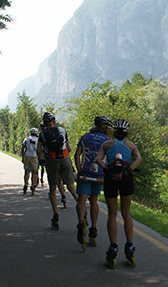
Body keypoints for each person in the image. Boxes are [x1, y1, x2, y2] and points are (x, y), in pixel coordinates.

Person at [94, 118, 142, 267]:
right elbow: (139, 158)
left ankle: (113, 246)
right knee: (126, 213)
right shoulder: (131, 145)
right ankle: (129, 246)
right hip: (126, 179)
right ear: (126, 133)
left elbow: (98, 159)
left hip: (110, 179)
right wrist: (129, 169)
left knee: (112, 214)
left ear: (115, 132)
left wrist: (106, 168)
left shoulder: (107, 144)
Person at [74, 116, 112, 249]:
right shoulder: (108, 140)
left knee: (81, 201)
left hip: (85, 173)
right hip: (100, 174)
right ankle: (93, 230)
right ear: (104, 127)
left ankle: (80, 223)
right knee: (94, 201)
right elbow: (110, 159)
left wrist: (80, 171)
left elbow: (77, 155)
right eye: (108, 128)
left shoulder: (85, 137)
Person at [39, 112, 78, 230]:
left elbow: (39, 151)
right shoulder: (62, 130)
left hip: (52, 161)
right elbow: (69, 148)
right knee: (71, 187)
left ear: (44, 122)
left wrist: (43, 160)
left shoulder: (42, 134)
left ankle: (55, 214)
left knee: (52, 189)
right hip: (65, 159)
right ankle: (81, 206)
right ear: (54, 120)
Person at [20, 128, 40, 195]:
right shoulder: (38, 140)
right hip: (35, 157)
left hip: (27, 156)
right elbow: (39, 149)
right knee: (34, 173)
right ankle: (33, 186)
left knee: (26, 172)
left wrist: (23, 156)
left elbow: (23, 148)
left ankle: (26, 184)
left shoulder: (27, 139)